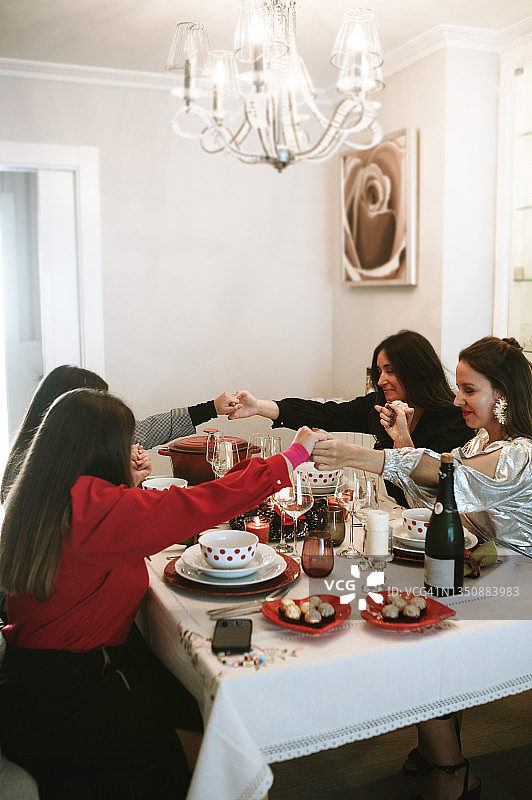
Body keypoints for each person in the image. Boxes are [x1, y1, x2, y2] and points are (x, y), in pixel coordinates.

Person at [0, 387, 322, 799]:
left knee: (184, 698)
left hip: (32, 688)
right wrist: (292, 456)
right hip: (66, 706)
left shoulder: (43, 499)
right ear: (101, 450)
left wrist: (128, 487)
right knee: (216, 759)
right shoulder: (94, 511)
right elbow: (202, 502)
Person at [311, 336, 532, 800]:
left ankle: (451, 770)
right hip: (483, 571)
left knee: (417, 628)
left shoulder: (522, 454)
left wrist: (357, 456)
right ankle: (436, 740)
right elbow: (438, 500)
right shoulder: (479, 443)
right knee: (398, 598)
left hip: (519, 584)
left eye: (469, 391)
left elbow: (447, 472)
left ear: (503, 396)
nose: (457, 400)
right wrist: (404, 444)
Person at [225, 330, 471, 506]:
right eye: (380, 371)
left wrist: (402, 437)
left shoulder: (454, 418)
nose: (382, 380)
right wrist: (258, 406)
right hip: (396, 519)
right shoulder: (380, 406)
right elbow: (325, 413)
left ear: (418, 371)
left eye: (391, 371)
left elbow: (431, 486)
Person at [1, 365, 240, 503]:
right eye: (98, 404)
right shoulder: (31, 469)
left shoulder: (89, 441)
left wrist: (211, 409)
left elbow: (149, 429)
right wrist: (126, 479)